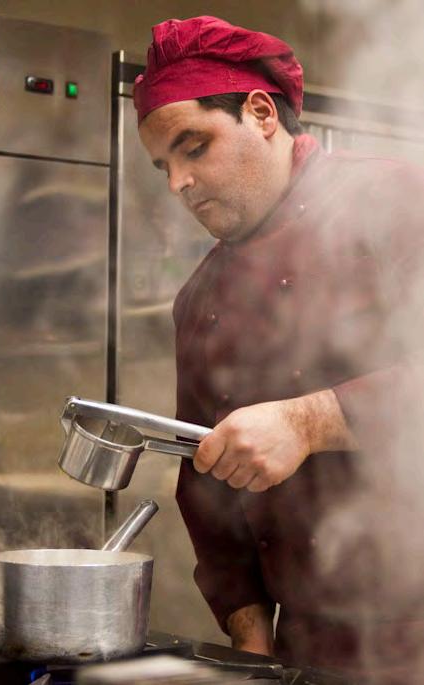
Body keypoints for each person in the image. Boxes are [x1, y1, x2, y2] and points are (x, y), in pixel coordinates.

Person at [134, 15, 424, 684]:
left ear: (261, 113)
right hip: (307, 647)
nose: (177, 183)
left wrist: (307, 421)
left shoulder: (394, 201)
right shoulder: (200, 297)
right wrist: (249, 637)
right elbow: (204, 476)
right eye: (163, 166)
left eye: (193, 147)